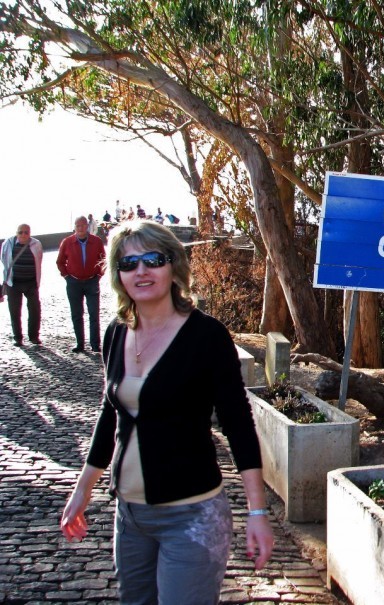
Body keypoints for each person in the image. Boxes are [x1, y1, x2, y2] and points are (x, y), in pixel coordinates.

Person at [60, 220, 274, 604]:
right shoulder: (115, 332)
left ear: (173, 266)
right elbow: (111, 417)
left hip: (191, 517)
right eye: (128, 264)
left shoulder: (206, 336)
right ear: (118, 275)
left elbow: (239, 424)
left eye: (152, 259)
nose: (141, 271)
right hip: (129, 517)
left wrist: (257, 512)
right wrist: (82, 492)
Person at [56, 216, 106, 353]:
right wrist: (66, 276)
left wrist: (99, 275)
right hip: (74, 283)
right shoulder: (67, 242)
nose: (81, 228)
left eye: (83, 225)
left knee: (94, 314)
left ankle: (95, 344)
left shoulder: (96, 241)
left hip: (91, 281)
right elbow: (60, 261)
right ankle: (80, 344)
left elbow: (104, 260)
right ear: (75, 227)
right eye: (78, 225)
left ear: (87, 226)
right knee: (77, 314)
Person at [1, 224, 43, 346]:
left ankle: (34, 336)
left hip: (31, 282)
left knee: (35, 310)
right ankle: (17, 337)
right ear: (16, 233)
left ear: (30, 233)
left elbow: (39, 260)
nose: (23, 235)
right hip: (13, 283)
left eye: (26, 232)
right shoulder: (8, 244)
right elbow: (4, 259)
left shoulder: (36, 244)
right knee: (14, 311)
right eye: (21, 232)